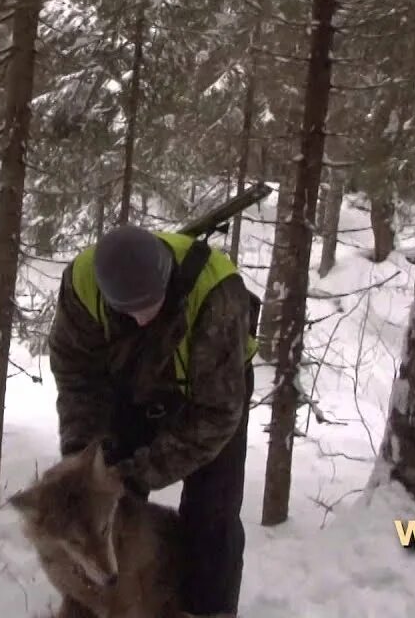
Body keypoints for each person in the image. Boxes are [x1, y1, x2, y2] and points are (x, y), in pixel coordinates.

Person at [47, 224, 259, 618]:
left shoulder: (216, 294)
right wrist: (84, 455)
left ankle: (208, 610)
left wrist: (140, 473)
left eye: (151, 304)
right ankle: (107, 601)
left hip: (210, 395)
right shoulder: (82, 286)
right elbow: (77, 376)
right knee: (111, 506)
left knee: (212, 513)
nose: (143, 318)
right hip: (130, 384)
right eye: (131, 310)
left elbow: (218, 414)